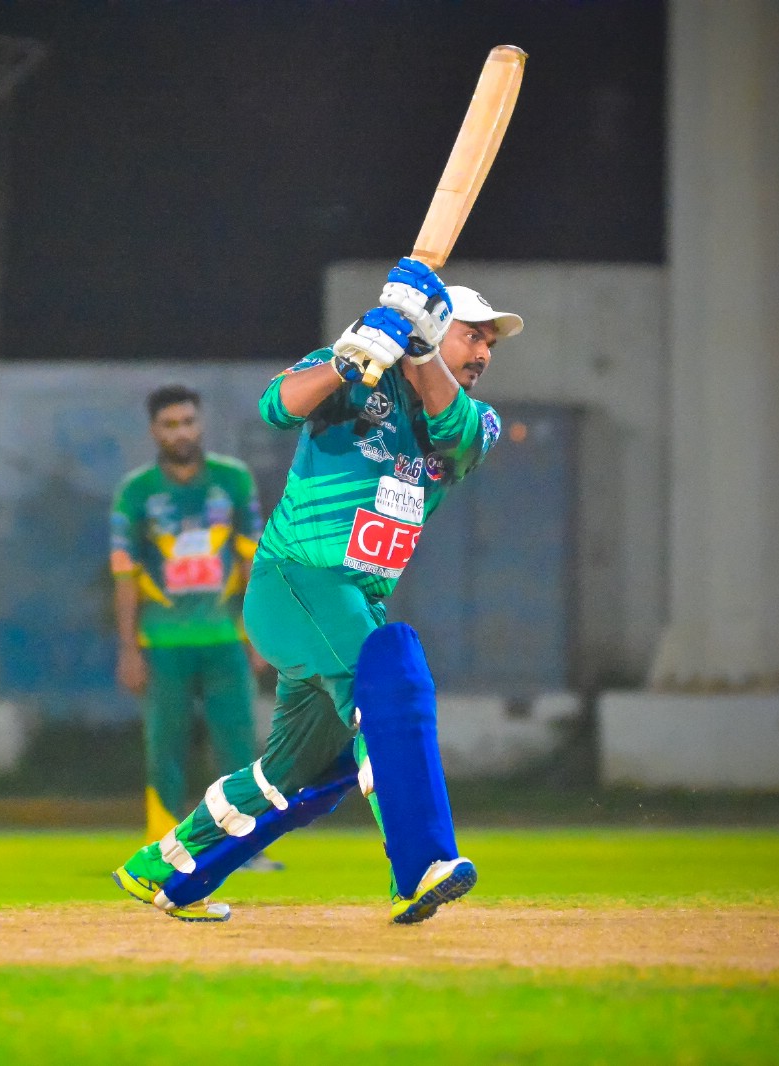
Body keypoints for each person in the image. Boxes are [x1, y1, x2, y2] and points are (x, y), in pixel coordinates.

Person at [113, 258, 523, 923]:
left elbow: (456, 434)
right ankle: (422, 864)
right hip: (294, 581)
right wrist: (345, 358)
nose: (482, 352)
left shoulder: (478, 420)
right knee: (390, 683)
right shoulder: (360, 378)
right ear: (438, 324)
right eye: (472, 335)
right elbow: (277, 405)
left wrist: (422, 351)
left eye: (489, 343)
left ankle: (163, 871)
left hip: (352, 602)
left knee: (299, 772)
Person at [110, 385, 281, 871]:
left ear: (200, 424)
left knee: (239, 747)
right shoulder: (136, 492)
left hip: (226, 639)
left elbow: (252, 562)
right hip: (163, 643)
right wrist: (128, 649)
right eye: (170, 425)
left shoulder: (232, 479)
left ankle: (244, 849)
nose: (181, 432)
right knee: (165, 750)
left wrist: (259, 634)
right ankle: (164, 851)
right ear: (154, 431)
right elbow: (124, 575)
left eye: (188, 422)